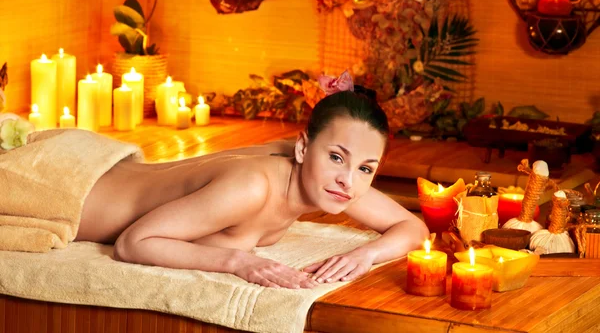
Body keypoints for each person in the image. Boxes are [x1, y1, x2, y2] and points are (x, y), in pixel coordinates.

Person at [76, 83, 429, 289]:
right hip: (79, 193)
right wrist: (237, 262)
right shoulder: (253, 187)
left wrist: (364, 255)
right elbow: (132, 243)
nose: (349, 179)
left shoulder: (333, 182)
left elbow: (413, 227)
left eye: (366, 168)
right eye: (337, 157)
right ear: (303, 147)